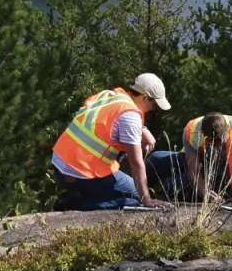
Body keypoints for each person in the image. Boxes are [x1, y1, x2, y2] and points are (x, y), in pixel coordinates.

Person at [50, 73, 174, 210]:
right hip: (82, 171)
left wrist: (142, 129)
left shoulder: (108, 95)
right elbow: (135, 163)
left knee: (122, 156)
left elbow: (101, 119)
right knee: (135, 197)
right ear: (144, 98)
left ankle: (78, 192)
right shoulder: (131, 116)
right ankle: (83, 203)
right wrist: (146, 199)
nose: (154, 110)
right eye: (155, 105)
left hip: (60, 163)